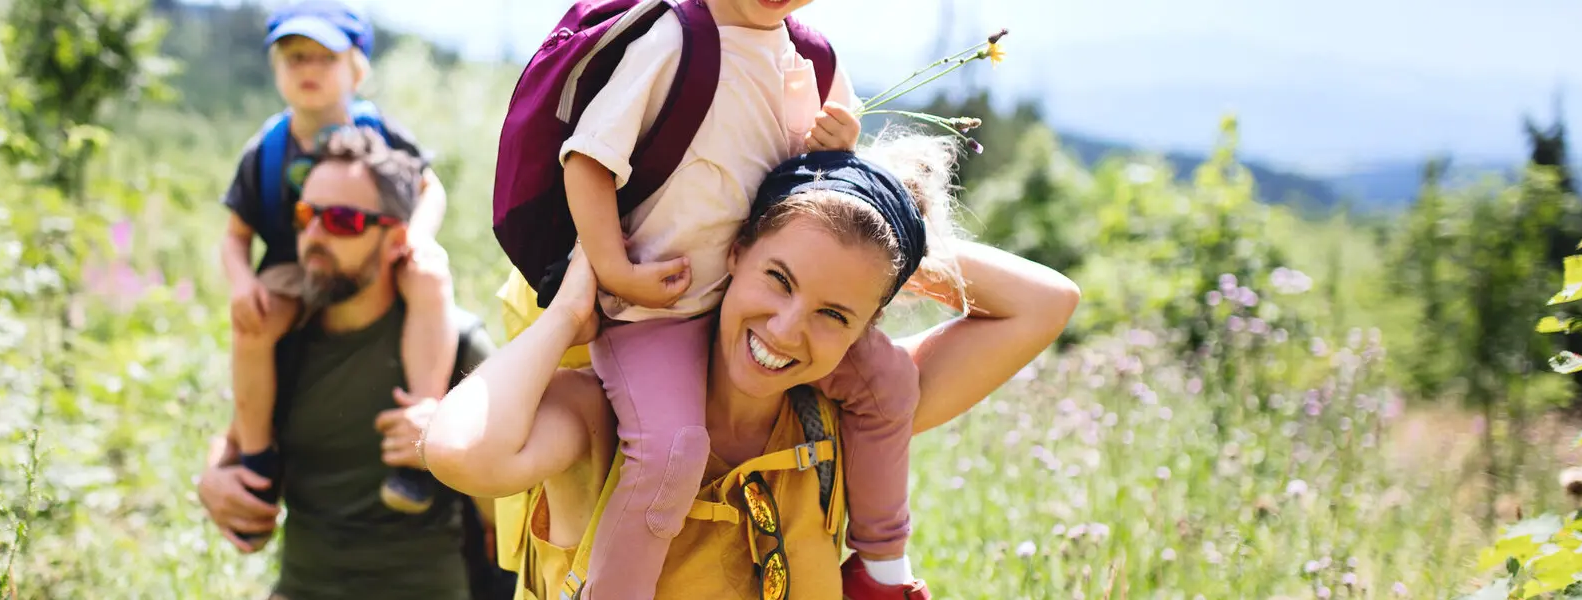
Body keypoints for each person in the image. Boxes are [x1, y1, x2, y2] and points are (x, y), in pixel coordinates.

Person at [429, 143, 1081, 598]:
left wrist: (883, 236)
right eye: (779, 277)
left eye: (834, 313)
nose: (786, 328)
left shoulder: (840, 426)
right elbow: (461, 452)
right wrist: (568, 314)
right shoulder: (605, 415)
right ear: (733, 252)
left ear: (866, 329)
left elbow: (1046, 303)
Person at [199, 128, 510, 600]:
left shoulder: (457, 345)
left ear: (397, 239)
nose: (315, 236)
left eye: (343, 221)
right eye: (307, 216)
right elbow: (234, 440)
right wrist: (212, 481)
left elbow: (514, 513)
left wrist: (453, 444)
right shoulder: (281, 342)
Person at [219, 0, 458, 518]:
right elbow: (235, 236)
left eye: (324, 58)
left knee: (430, 275)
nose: (308, 69)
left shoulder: (381, 132)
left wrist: (416, 235)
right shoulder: (266, 149)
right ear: (276, 68)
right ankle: (258, 457)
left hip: (376, 253)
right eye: (293, 57)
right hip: (293, 263)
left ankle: (418, 432)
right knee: (252, 326)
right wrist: (241, 283)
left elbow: (429, 187)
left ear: (357, 69)